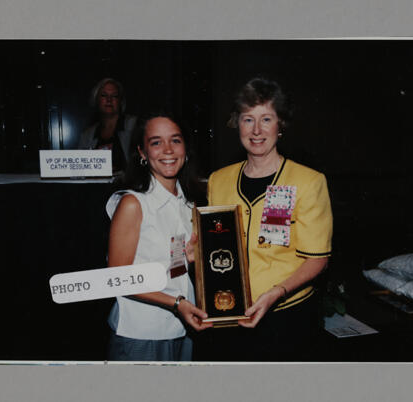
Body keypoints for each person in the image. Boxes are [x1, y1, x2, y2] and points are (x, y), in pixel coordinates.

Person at [205, 77, 333, 361]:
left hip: (287, 318)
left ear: (281, 124)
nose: (257, 130)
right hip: (229, 313)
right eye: (248, 119)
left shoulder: (308, 181)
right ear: (237, 123)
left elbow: (317, 259)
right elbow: (214, 242)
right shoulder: (218, 180)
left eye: (266, 119)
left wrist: (277, 293)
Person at [105, 112, 211, 361]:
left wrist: (193, 260)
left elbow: (176, 267)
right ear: (142, 152)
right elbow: (117, 277)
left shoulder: (190, 203)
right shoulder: (133, 203)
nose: (168, 150)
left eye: (175, 140)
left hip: (182, 328)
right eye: (156, 142)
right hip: (141, 332)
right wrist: (176, 303)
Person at [78, 78, 136, 172]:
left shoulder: (134, 125)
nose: (109, 100)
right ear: (96, 100)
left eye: (114, 96)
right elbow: (81, 169)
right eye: (104, 95)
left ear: (120, 101)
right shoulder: (87, 135)